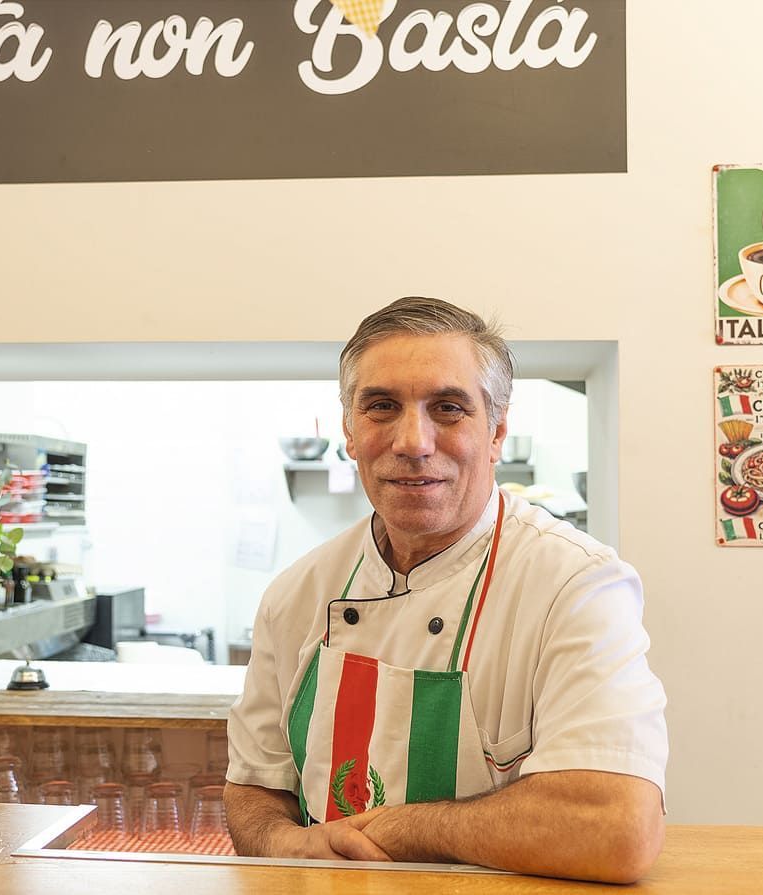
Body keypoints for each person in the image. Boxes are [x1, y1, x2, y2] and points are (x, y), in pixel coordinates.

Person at [223, 297, 668, 884]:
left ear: (497, 432)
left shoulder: (575, 584)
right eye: (381, 406)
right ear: (350, 432)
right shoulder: (296, 594)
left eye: (449, 408)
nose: (412, 441)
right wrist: (283, 843)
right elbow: (255, 785)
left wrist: (394, 829)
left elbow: (616, 828)